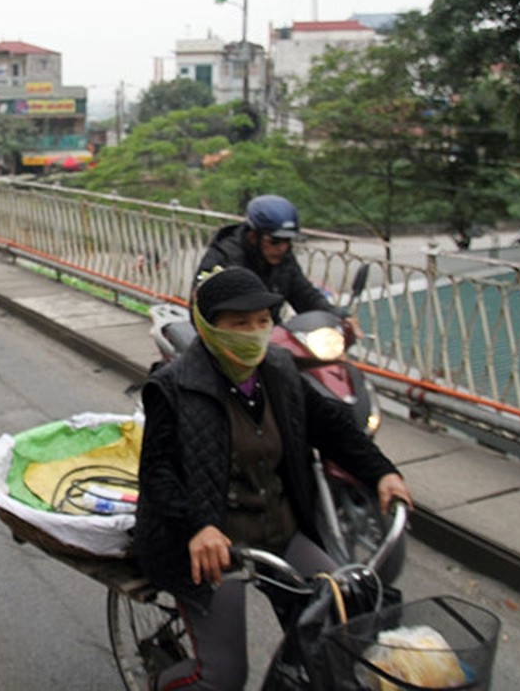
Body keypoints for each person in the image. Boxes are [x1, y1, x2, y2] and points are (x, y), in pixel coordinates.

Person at [134, 266, 413, 691]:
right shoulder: (172, 387)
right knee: (222, 676)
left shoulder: (279, 369)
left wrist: (382, 472)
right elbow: (158, 473)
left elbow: (332, 426)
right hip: (214, 545)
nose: (254, 332)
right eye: (239, 324)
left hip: (276, 529)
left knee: (341, 619)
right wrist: (198, 528)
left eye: (263, 321)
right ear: (209, 328)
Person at [192, 195, 357, 335]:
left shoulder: (284, 260)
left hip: (270, 336)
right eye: (274, 241)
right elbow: (199, 308)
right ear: (252, 237)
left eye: (287, 241)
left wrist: (338, 316)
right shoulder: (224, 258)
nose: (282, 248)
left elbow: (305, 296)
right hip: (233, 341)